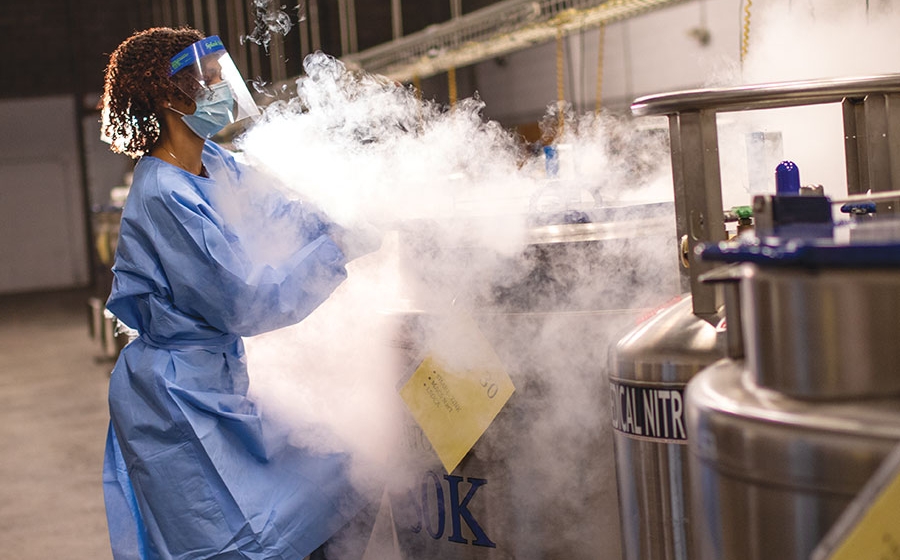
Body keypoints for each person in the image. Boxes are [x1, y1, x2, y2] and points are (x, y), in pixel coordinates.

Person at [100, 27, 377, 559]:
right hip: (175, 400)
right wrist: (337, 249)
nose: (220, 91)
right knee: (228, 543)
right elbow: (246, 302)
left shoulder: (214, 163)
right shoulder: (163, 194)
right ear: (168, 97)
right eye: (206, 82)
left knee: (335, 483)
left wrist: (353, 218)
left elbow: (280, 213)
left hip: (213, 382)